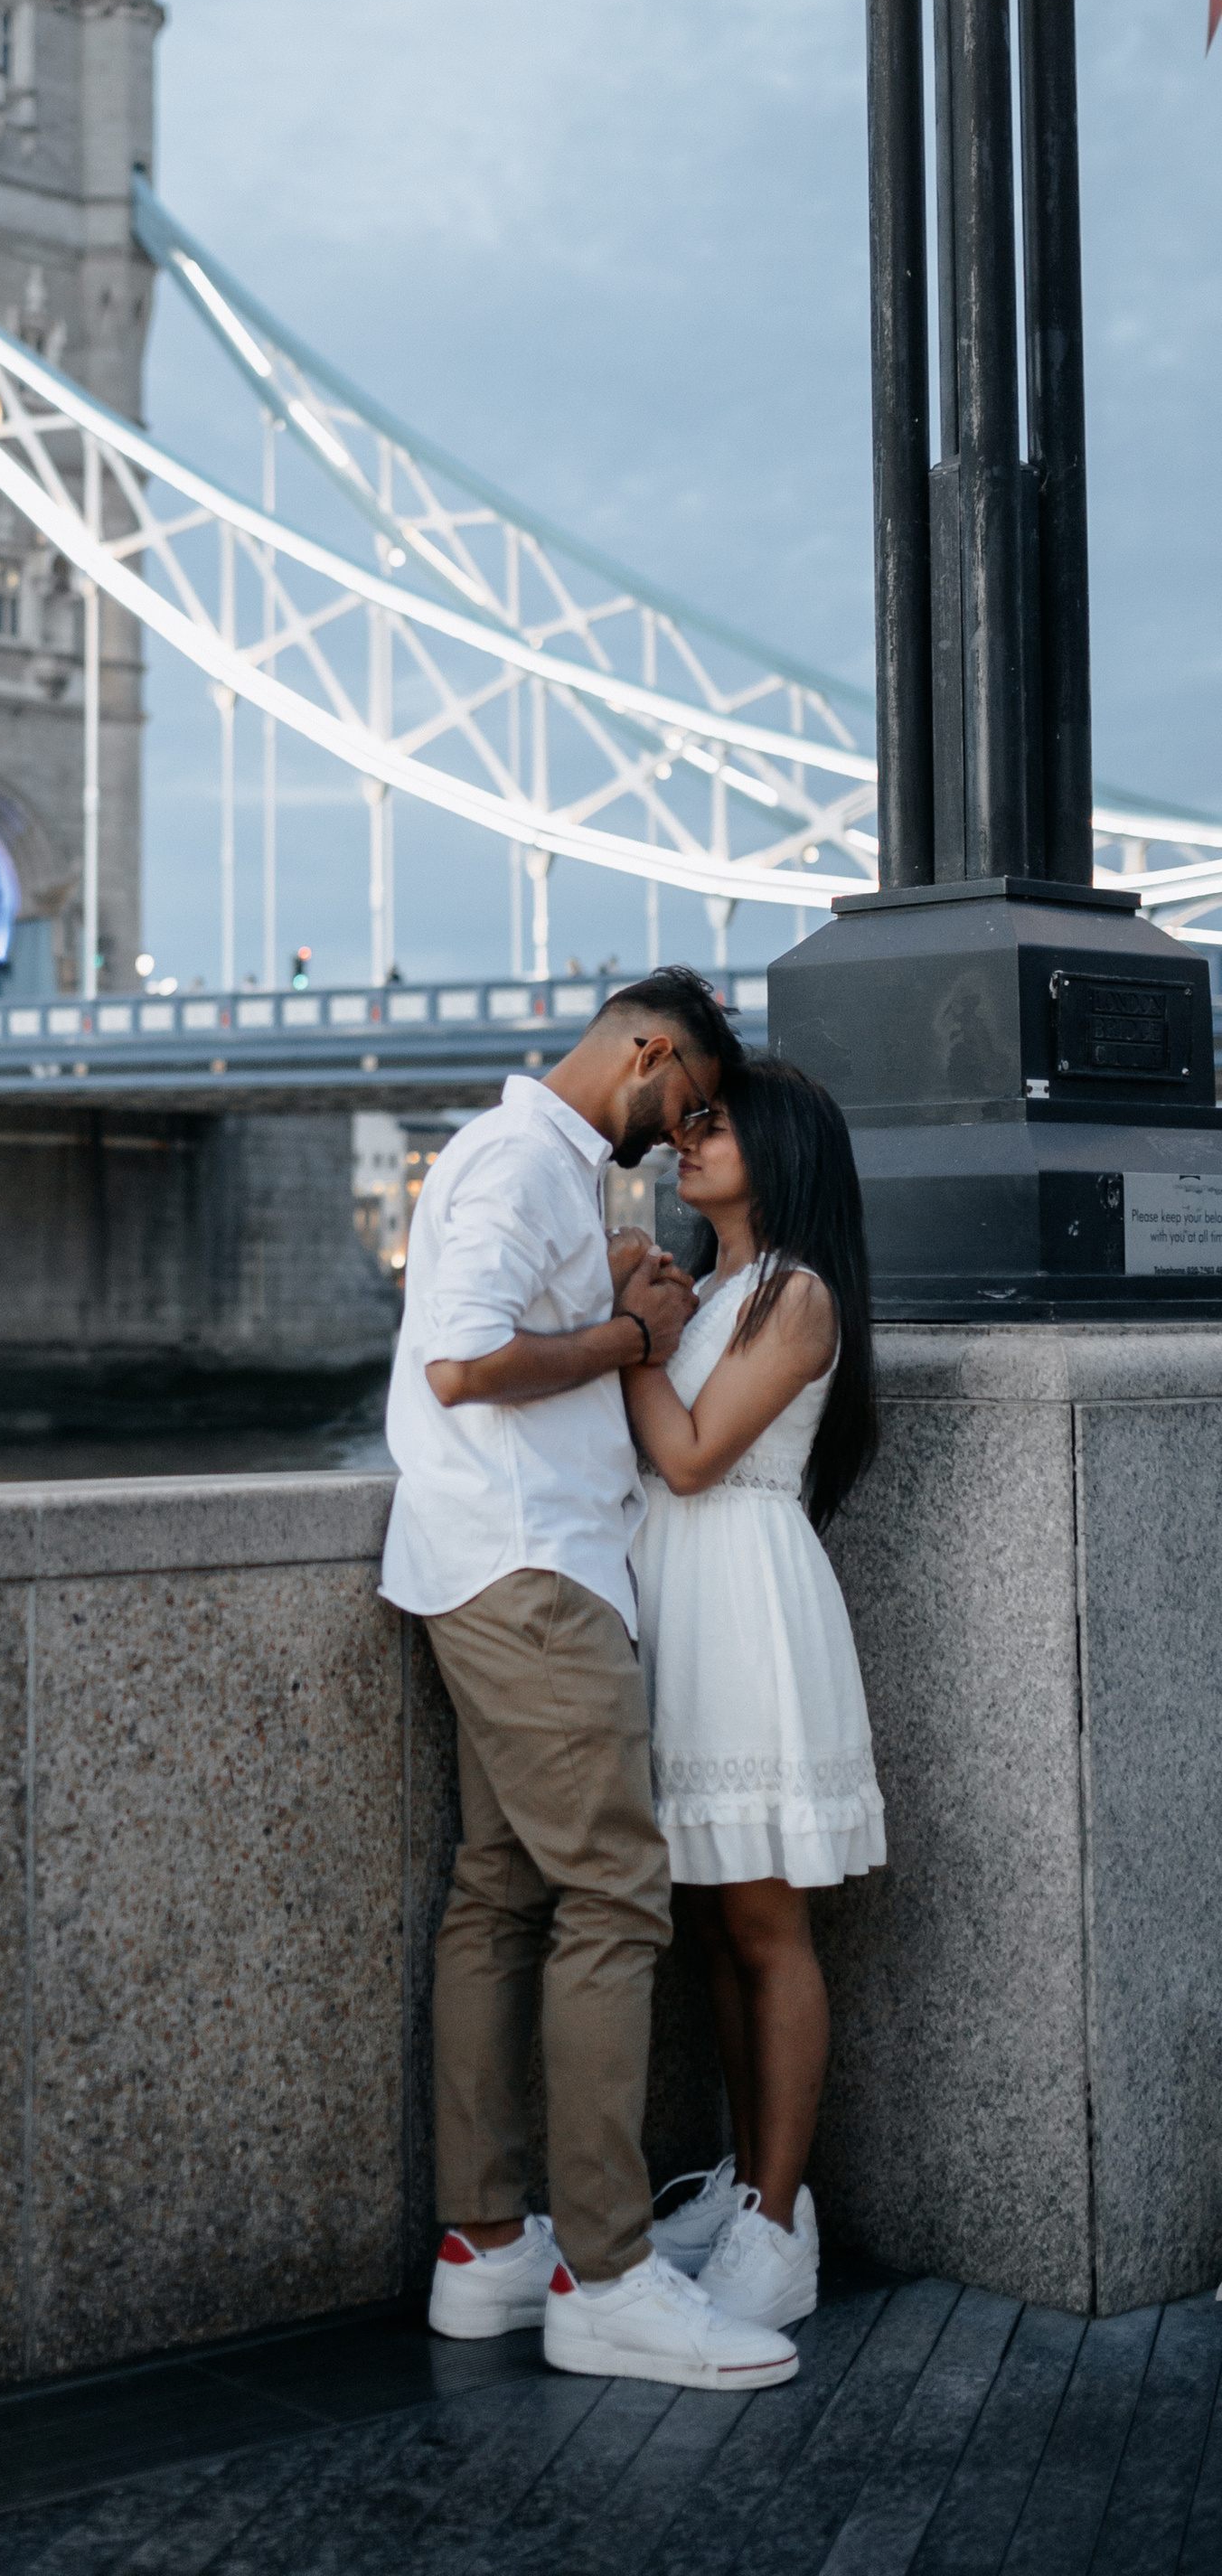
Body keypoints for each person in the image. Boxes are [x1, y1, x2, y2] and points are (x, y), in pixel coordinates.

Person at [386, 969, 800, 2395]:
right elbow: (458, 1362)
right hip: (532, 1571)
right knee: (619, 1894)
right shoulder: (520, 1159)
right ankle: (612, 2278)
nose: (678, 1137)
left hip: (485, 1561)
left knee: (502, 1896)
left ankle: (489, 2247)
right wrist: (631, 1338)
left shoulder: (538, 1171)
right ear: (648, 1049)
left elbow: (502, 1338)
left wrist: (615, 1294)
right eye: (684, 1103)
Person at [622, 1054, 885, 2335]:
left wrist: (629, 1333)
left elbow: (685, 1454)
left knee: (768, 1926)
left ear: (776, 1151)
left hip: (744, 1599)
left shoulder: (797, 1297)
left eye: (712, 1127)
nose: (687, 1141)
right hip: (685, 1596)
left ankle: (781, 2225)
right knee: (717, 1923)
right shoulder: (720, 1288)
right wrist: (654, 1318)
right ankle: (745, 2188)